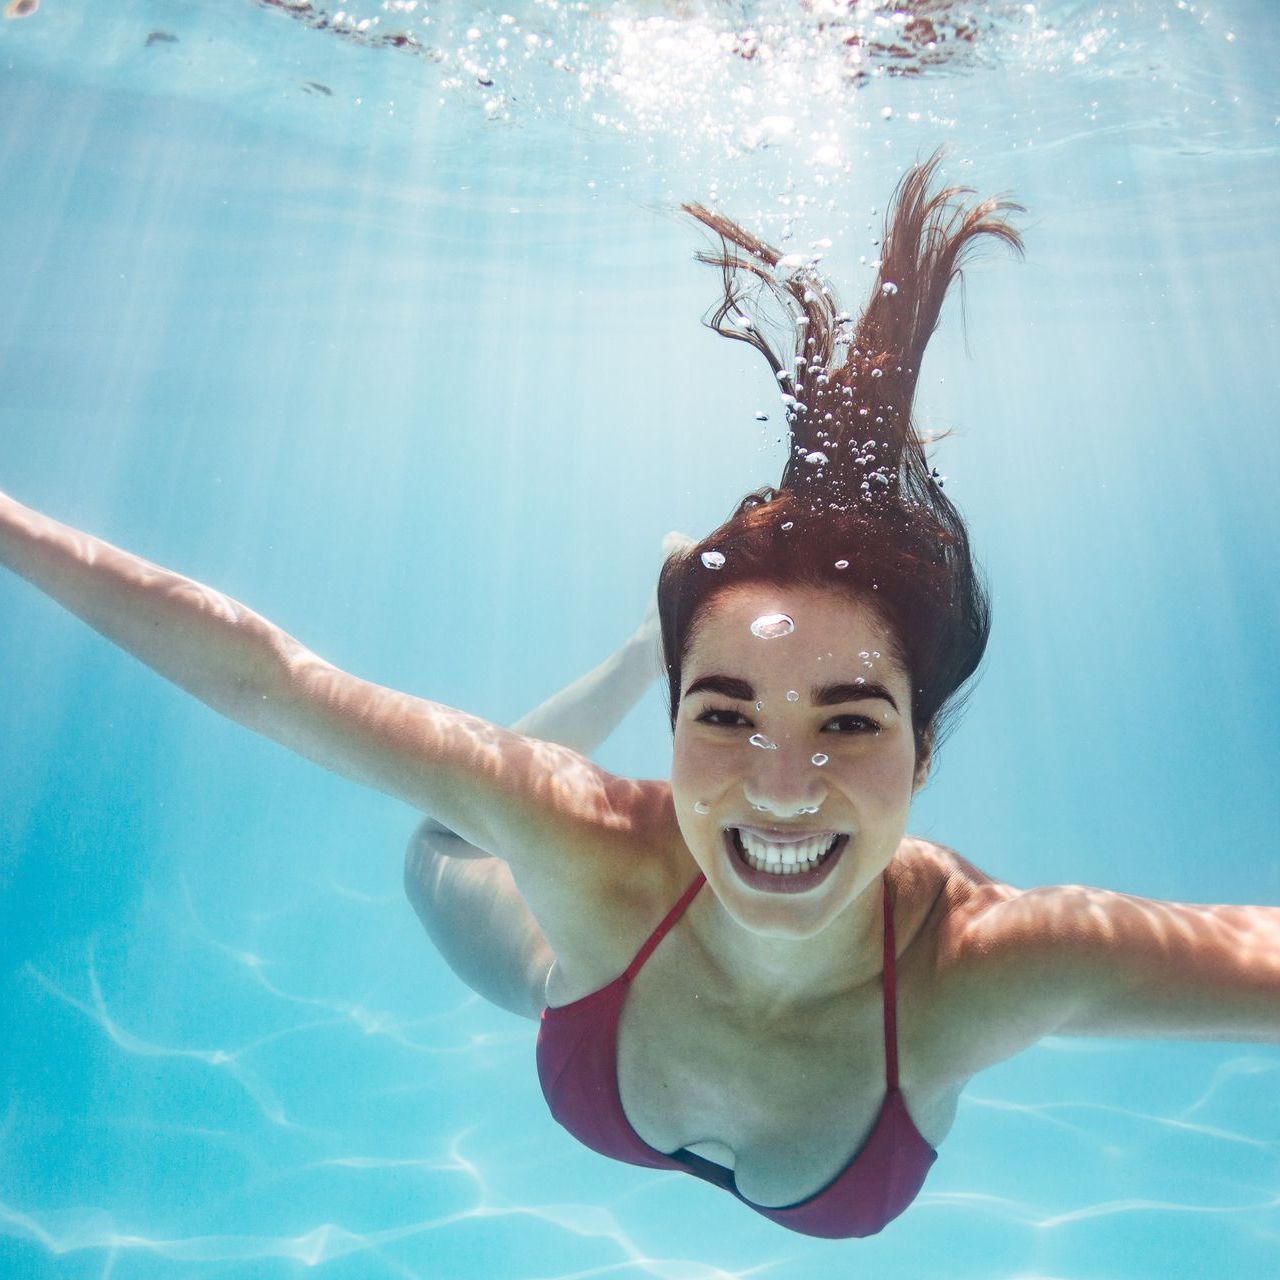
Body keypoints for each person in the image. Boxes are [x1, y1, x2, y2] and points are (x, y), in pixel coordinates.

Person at [1, 154, 1275, 1240]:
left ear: (923, 751)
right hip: (575, 969)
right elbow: (270, 674)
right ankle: (640, 645)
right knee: (435, 842)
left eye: (846, 719)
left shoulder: (983, 965)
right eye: (722, 711)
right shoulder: (593, 847)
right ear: (673, 729)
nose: (781, 784)